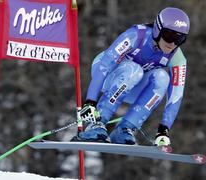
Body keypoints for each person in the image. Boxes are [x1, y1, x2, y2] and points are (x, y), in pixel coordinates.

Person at [77, 7, 190, 146]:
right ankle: (97, 122)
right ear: (158, 30)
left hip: (132, 85)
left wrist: (164, 129)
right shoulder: (136, 36)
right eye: (169, 35)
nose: (172, 43)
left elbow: (176, 96)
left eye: (180, 39)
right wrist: (90, 101)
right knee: (134, 70)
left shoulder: (177, 57)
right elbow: (104, 66)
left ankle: (126, 128)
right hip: (105, 75)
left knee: (162, 77)